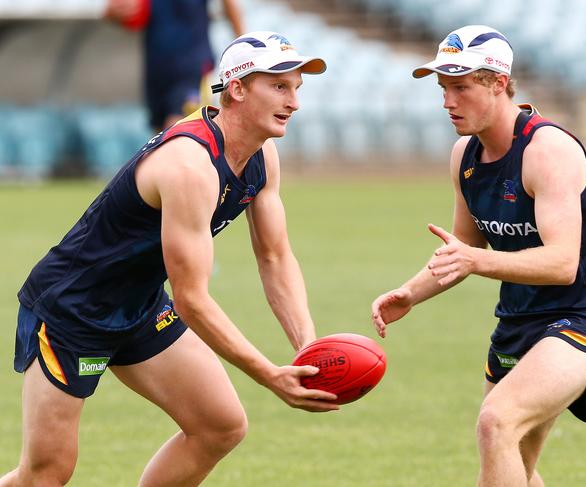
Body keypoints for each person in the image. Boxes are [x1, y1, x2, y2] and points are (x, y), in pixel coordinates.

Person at [1, 31, 338, 487]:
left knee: (220, 426)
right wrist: (268, 375)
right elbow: (192, 300)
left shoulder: (263, 157)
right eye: (280, 87)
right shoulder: (189, 166)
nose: (294, 102)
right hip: (72, 311)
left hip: (139, 306)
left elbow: (275, 258)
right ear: (237, 88)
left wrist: (307, 347)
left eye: (297, 88)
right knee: (46, 475)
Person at [371, 25, 586, 487]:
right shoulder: (463, 155)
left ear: (498, 82)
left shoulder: (548, 150)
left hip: (583, 319)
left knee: (497, 422)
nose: (448, 101)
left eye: (461, 87)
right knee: (519, 469)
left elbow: (561, 263)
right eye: (443, 88)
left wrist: (475, 261)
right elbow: (463, 250)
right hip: (517, 320)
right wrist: (410, 293)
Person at [105, 0, 245, 131]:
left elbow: (229, 4)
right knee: (159, 138)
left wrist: (243, 46)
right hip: (156, 70)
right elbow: (114, 11)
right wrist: (115, 12)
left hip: (192, 68)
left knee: (175, 132)